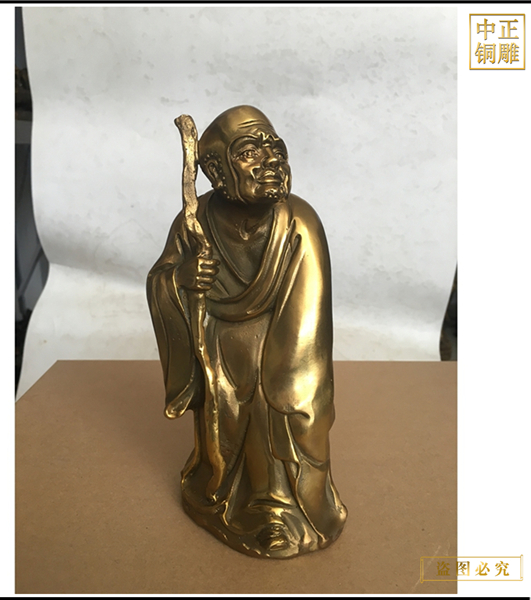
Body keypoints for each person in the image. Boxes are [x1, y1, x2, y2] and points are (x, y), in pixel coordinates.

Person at [147, 105, 347, 558]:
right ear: (217, 171)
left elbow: (308, 319)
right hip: (216, 352)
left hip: (281, 354)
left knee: (275, 405)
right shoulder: (194, 221)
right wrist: (181, 280)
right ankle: (229, 495)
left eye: (276, 148)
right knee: (226, 408)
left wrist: (281, 379)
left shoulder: (299, 222)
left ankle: (281, 508)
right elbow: (161, 279)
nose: (271, 160)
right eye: (249, 152)